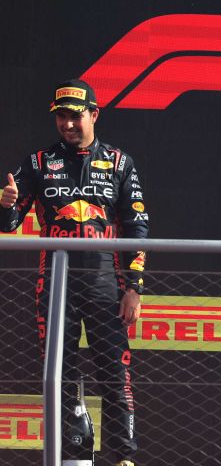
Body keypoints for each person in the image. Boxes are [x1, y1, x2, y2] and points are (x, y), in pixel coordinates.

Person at [0, 79, 148, 466]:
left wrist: (134, 287)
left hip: (106, 286)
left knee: (116, 377)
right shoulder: (37, 163)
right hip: (55, 286)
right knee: (62, 379)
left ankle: (122, 458)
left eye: (75, 116)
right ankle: (76, 457)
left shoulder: (120, 163)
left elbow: (137, 227)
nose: (68, 124)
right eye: (61, 117)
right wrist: (6, 205)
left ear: (94, 114)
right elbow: (11, 223)